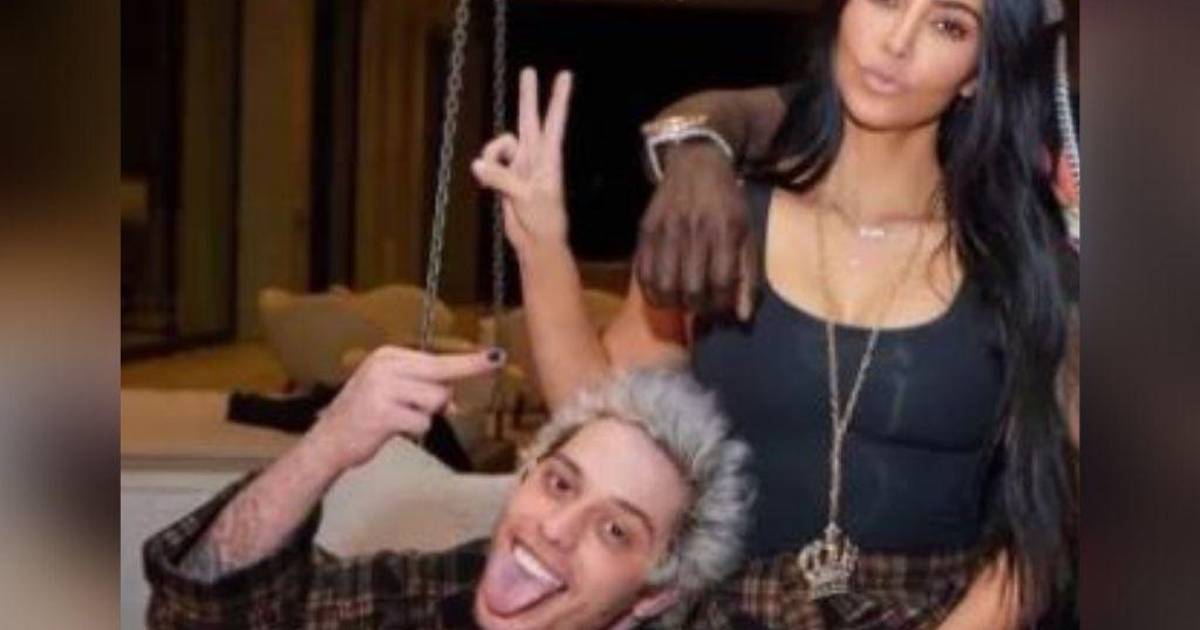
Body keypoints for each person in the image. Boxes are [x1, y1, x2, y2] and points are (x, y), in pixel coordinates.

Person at [470, 0, 1079, 626]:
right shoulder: (722, 220)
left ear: (977, 71)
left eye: (948, 26)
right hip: (735, 613)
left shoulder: (1016, 261)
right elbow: (606, 429)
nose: (897, 41)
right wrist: (542, 247)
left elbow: (1054, 514)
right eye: (887, 1)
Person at [143, 347, 753, 629]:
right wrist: (327, 445)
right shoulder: (417, 599)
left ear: (652, 596)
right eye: (560, 483)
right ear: (524, 479)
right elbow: (199, 615)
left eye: (615, 530)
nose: (556, 529)